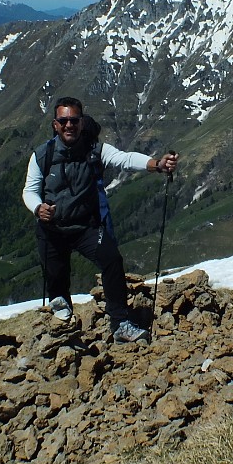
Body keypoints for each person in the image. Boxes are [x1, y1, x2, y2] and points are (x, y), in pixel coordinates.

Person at [22, 96, 178, 343]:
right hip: (52, 228)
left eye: (74, 120)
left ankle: (120, 324)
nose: (69, 125)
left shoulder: (95, 150)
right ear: (55, 124)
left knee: (112, 260)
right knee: (57, 284)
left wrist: (157, 164)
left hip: (84, 226)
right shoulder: (42, 155)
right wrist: (38, 208)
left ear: (82, 123)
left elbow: (125, 159)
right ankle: (62, 336)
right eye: (64, 121)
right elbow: (29, 190)